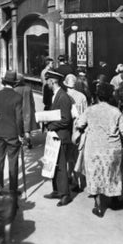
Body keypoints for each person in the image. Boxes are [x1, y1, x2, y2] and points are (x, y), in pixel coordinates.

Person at [76, 82, 123, 217]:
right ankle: (114, 200)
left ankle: (98, 206)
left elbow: (80, 124)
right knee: (112, 173)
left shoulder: (90, 110)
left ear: (98, 96)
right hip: (112, 148)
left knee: (94, 174)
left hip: (93, 147)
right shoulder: (116, 111)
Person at [0, 71, 24, 194]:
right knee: (13, 161)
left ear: (4, 82)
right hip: (12, 133)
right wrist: (21, 134)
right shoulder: (18, 97)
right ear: (14, 84)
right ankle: (13, 190)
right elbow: (19, 118)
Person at [43, 70, 73, 207]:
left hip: (61, 136)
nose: (46, 83)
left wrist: (51, 125)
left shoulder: (63, 97)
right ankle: (56, 190)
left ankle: (65, 194)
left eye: (47, 81)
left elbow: (66, 120)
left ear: (52, 81)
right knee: (54, 164)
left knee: (61, 166)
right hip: (55, 135)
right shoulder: (56, 95)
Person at [64, 73, 88, 192]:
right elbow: (86, 113)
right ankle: (77, 179)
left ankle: (72, 178)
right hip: (79, 129)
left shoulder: (63, 96)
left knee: (68, 156)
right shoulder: (82, 96)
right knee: (77, 155)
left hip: (68, 129)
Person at [14, 74, 38, 149]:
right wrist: (33, 109)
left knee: (19, 124)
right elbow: (32, 101)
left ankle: (20, 139)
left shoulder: (15, 89)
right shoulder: (28, 88)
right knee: (27, 127)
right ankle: (28, 139)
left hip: (18, 109)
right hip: (28, 109)